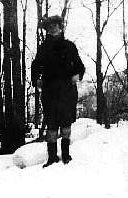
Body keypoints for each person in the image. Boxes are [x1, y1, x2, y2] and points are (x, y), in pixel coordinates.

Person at [31, 15, 85, 167]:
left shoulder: (69, 46)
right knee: (52, 125)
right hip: (49, 91)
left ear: (61, 27)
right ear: (47, 30)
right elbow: (35, 67)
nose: (53, 28)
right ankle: (52, 157)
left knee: (66, 123)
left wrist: (77, 74)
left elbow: (80, 66)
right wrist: (36, 79)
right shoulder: (43, 48)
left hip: (67, 91)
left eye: (55, 25)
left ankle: (66, 155)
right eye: (49, 27)